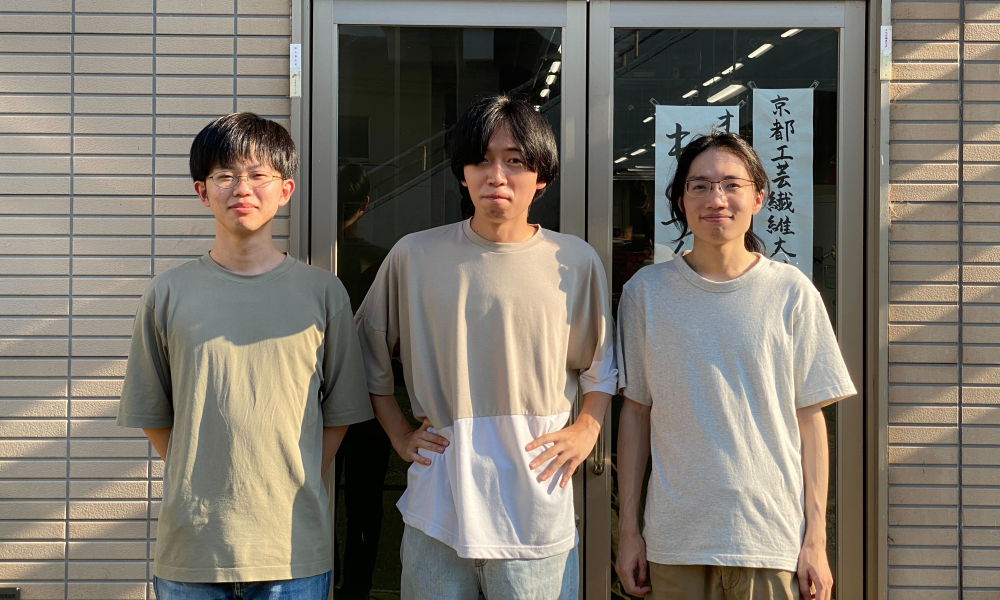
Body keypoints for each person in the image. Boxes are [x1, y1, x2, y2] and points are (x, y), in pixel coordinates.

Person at [354, 94, 618, 599]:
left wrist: (588, 427)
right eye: (481, 159)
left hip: (535, 511)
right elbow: (364, 350)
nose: (497, 175)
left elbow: (600, 363)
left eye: (515, 160)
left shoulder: (573, 261)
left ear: (541, 176)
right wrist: (399, 433)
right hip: (437, 508)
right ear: (462, 173)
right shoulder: (415, 254)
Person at [116, 113, 374, 599]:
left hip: (293, 550)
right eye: (225, 175)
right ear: (202, 191)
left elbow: (341, 412)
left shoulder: (323, 294)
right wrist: (203, 471)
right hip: (193, 550)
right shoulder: (167, 294)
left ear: (286, 189)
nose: (242, 188)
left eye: (258, 175)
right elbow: (153, 413)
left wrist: (286, 475)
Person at [614, 132, 856, 600]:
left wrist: (815, 539)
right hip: (675, 540)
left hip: (769, 540)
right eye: (700, 186)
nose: (716, 199)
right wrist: (629, 531)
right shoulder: (647, 292)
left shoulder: (791, 292)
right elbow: (636, 413)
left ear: (758, 198)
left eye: (731, 184)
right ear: (681, 201)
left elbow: (810, 421)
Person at [332, 163, 393, 598]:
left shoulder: (308, 262)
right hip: (372, 400)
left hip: (316, 398)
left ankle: (323, 579)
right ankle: (357, 588)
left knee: (316, 496)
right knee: (365, 502)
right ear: (365, 205)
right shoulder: (382, 261)